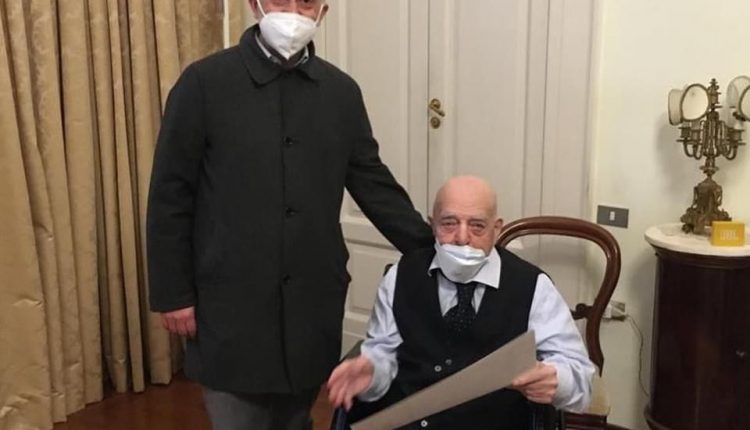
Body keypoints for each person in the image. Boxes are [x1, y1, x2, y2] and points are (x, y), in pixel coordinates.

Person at [146, 0, 432, 428]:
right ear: (254, 4)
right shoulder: (203, 83)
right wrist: (173, 293)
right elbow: (170, 195)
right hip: (230, 304)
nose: (295, 11)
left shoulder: (341, 93)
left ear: (323, 12)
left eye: (307, 2)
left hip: (311, 303)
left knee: (297, 419)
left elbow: (374, 183)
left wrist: (436, 248)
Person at [327, 176, 595, 429]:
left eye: (477, 226)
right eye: (449, 223)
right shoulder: (402, 275)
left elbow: (580, 378)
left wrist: (557, 380)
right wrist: (371, 373)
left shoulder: (533, 287)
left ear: (497, 229)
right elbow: (383, 353)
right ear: (432, 224)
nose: (462, 238)